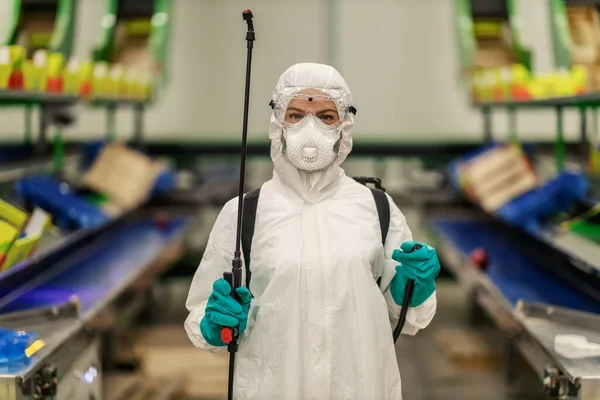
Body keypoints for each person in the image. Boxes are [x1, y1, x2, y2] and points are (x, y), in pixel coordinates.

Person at [185, 62, 440, 400]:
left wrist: (412, 286)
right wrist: (215, 325)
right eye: (295, 115)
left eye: (326, 116)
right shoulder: (245, 213)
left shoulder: (375, 209)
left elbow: (406, 317)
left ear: (343, 125)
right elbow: (202, 310)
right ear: (278, 123)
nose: (310, 127)